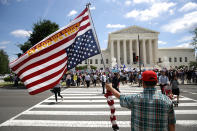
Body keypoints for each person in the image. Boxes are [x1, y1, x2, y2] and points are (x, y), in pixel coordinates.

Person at [106, 70, 176, 131]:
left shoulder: (135, 99)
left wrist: (111, 88)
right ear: (156, 82)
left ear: (143, 83)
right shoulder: (167, 101)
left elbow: (121, 97)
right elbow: (172, 125)